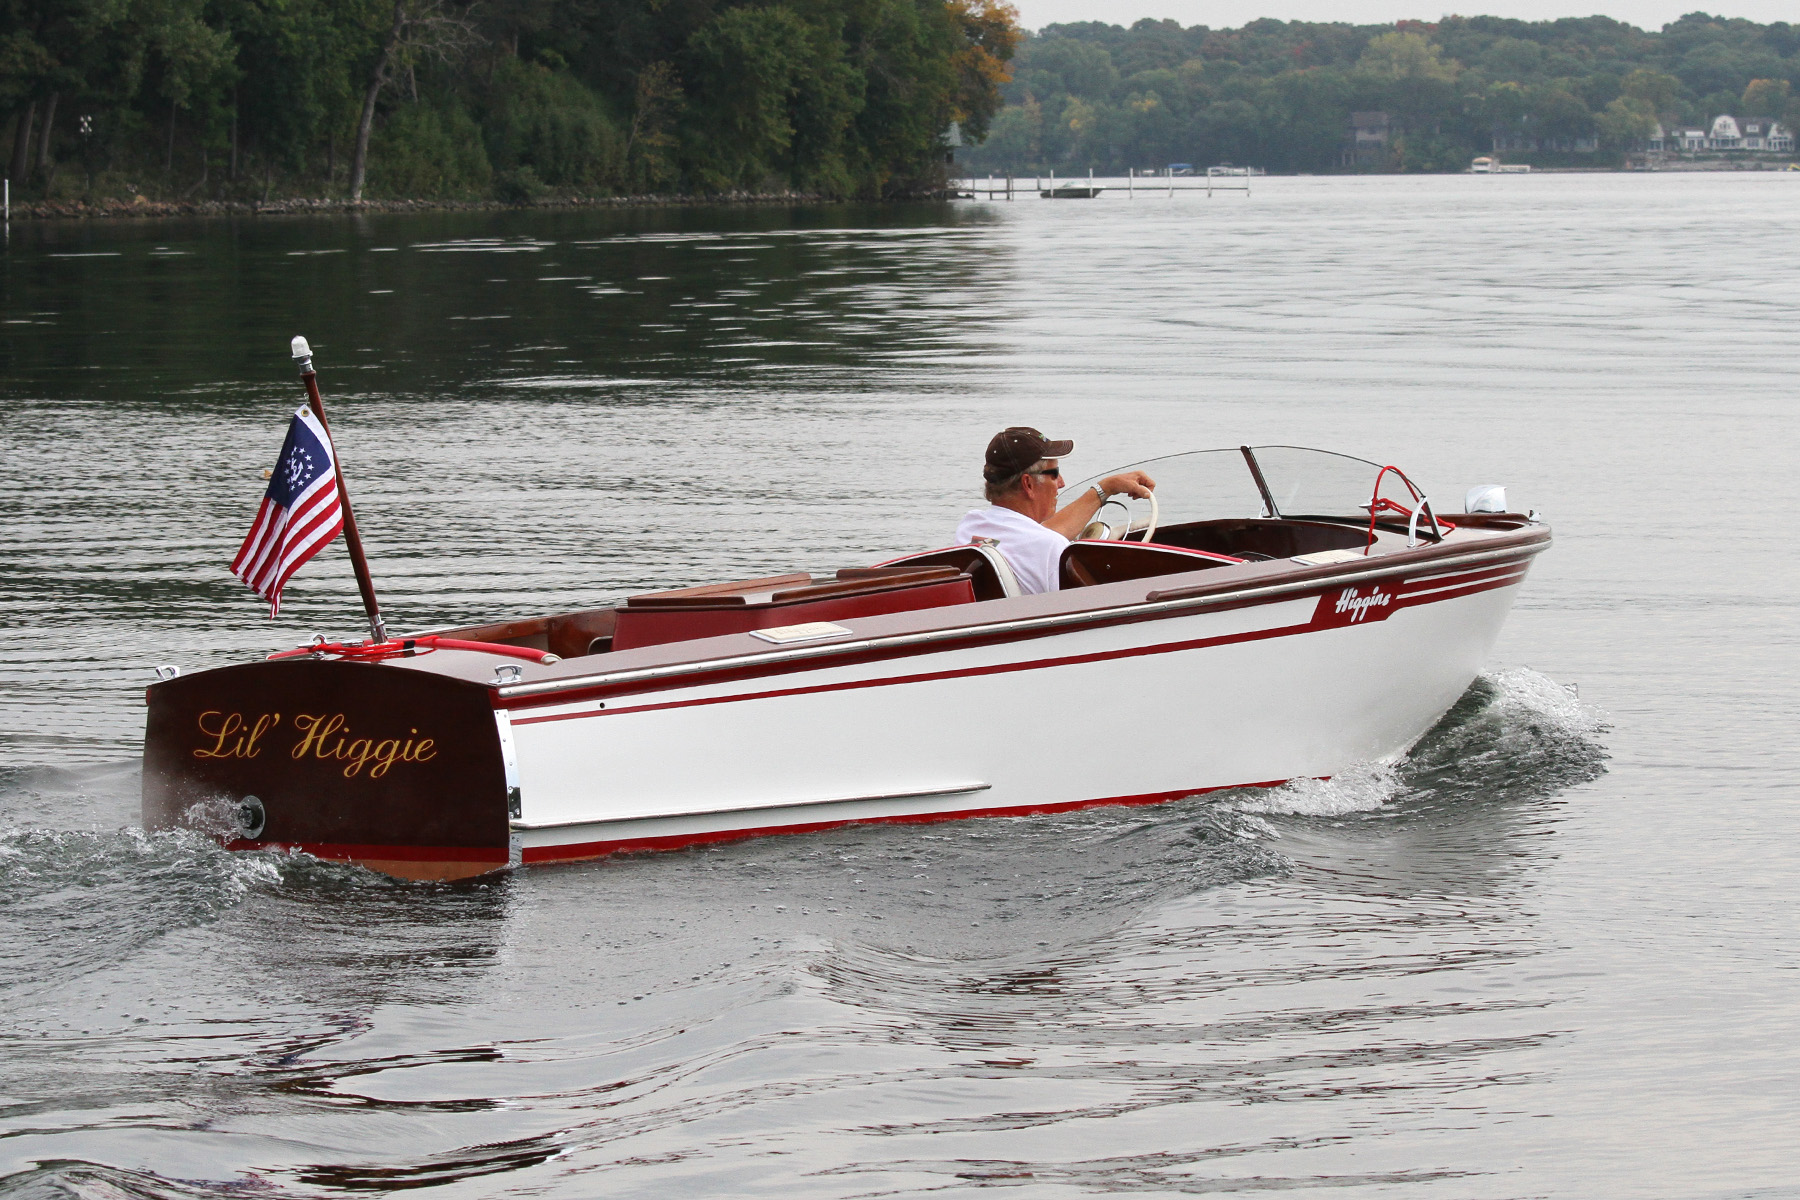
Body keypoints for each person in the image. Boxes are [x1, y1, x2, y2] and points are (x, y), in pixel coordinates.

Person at [954, 427, 1156, 595]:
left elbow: (1035, 537)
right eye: (1055, 473)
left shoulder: (970, 527)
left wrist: (1107, 488)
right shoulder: (1051, 549)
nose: (1062, 483)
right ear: (1028, 484)